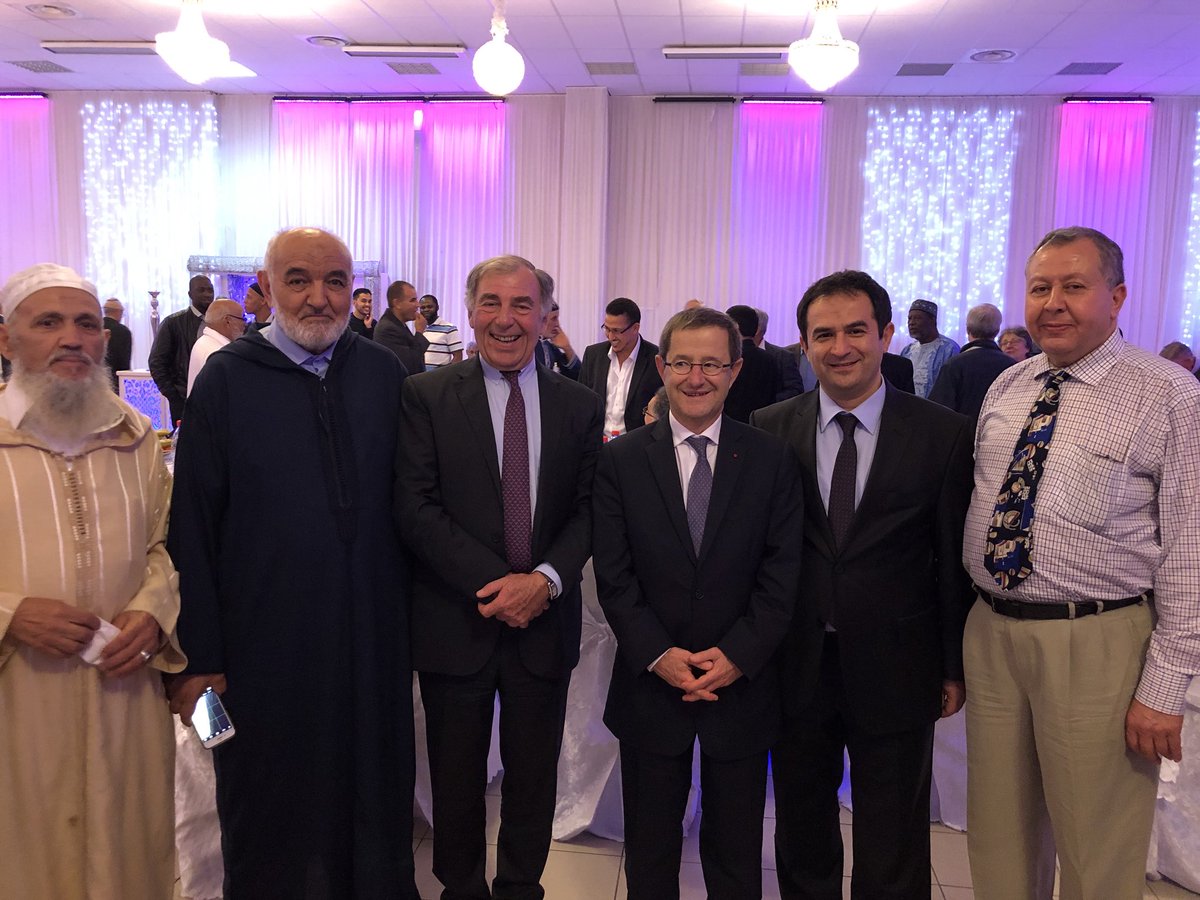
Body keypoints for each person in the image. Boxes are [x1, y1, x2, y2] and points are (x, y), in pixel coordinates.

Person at [167, 227, 418, 899]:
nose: (318, 298)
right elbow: (192, 525)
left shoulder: (383, 374)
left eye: (335, 281)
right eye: (299, 280)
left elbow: (414, 505)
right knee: (269, 806)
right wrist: (199, 658)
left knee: (371, 796)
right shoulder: (226, 380)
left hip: (369, 641)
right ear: (266, 286)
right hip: (262, 647)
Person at [962, 227, 1200, 900]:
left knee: (1097, 849)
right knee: (999, 837)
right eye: (1040, 288)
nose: (1053, 303)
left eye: (1074, 286)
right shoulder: (1009, 385)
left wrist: (1163, 689)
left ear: (1117, 297)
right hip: (993, 634)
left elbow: (1190, 553)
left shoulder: (1168, 395)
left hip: (1098, 641)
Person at [752, 269, 973, 900]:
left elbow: (950, 559)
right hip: (796, 661)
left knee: (894, 832)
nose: (840, 347)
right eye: (824, 334)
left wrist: (952, 666)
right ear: (803, 343)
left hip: (900, 663)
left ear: (886, 335)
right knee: (801, 823)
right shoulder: (769, 427)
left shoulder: (943, 433)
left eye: (856, 330)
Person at [397, 254, 602, 900]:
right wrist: (502, 585)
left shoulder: (579, 404)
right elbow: (415, 507)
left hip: (545, 621)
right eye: (491, 302)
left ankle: (520, 886)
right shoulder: (426, 396)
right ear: (470, 311)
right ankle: (461, 889)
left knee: (534, 776)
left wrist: (543, 581)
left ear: (545, 316)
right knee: (454, 778)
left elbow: (590, 509)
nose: (505, 319)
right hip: (456, 620)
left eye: (522, 304)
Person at [593, 306, 803, 899]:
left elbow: (782, 572)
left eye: (711, 364)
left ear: (736, 371)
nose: (696, 377)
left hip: (741, 685)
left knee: (735, 854)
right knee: (650, 851)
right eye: (683, 363)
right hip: (651, 684)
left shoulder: (771, 458)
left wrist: (737, 655)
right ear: (661, 367)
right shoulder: (622, 459)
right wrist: (659, 654)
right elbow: (614, 575)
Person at [0, 262, 185, 899]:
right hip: (20, 704)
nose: (71, 339)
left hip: (123, 696)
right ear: (6, 339)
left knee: (126, 859)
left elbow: (161, 548)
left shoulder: (135, 437)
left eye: (85, 324)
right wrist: (11, 615)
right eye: (48, 323)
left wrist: (152, 612)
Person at [580, 297, 662, 438]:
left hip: (637, 444)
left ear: (635, 328)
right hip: (597, 443)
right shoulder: (593, 355)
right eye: (607, 329)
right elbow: (582, 401)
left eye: (617, 331)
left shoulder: (656, 359)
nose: (611, 336)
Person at [928, 302, 1016, 425]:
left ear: (968, 329)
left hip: (961, 435)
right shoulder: (1013, 366)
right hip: (1000, 433)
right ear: (997, 331)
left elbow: (938, 412)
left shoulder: (954, 365)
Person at [148, 274, 214, 426]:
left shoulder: (220, 322)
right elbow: (157, 362)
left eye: (210, 290)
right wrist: (174, 396)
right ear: (190, 294)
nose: (207, 294)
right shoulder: (173, 323)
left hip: (214, 398)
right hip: (183, 400)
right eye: (201, 290)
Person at [724, 304, 782, 421]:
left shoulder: (730, 358)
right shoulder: (770, 359)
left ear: (735, 327)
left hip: (731, 424)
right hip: (763, 423)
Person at [186, 298, 248, 396]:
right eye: (243, 318)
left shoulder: (205, 342)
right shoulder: (219, 352)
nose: (245, 323)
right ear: (228, 321)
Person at [900, 298, 959, 398]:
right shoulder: (907, 350)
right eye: (909, 318)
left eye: (917, 318)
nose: (911, 323)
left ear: (932, 320)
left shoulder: (949, 349)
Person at [374, 279, 429, 376]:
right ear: (397, 303)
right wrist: (419, 332)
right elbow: (410, 365)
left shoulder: (398, 324)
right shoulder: (388, 328)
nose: (418, 305)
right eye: (412, 300)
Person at [418, 293, 464, 368]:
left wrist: (448, 373)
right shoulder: (420, 328)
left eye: (429, 307)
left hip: (440, 375)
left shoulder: (449, 328)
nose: (426, 310)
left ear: (437, 307)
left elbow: (458, 357)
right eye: (423, 308)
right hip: (421, 374)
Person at [102, 296, 132, 389]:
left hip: (97, 380)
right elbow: (124, 364)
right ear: (118, 312)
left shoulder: (94, 328)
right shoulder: (123, 331)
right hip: (116, 383)